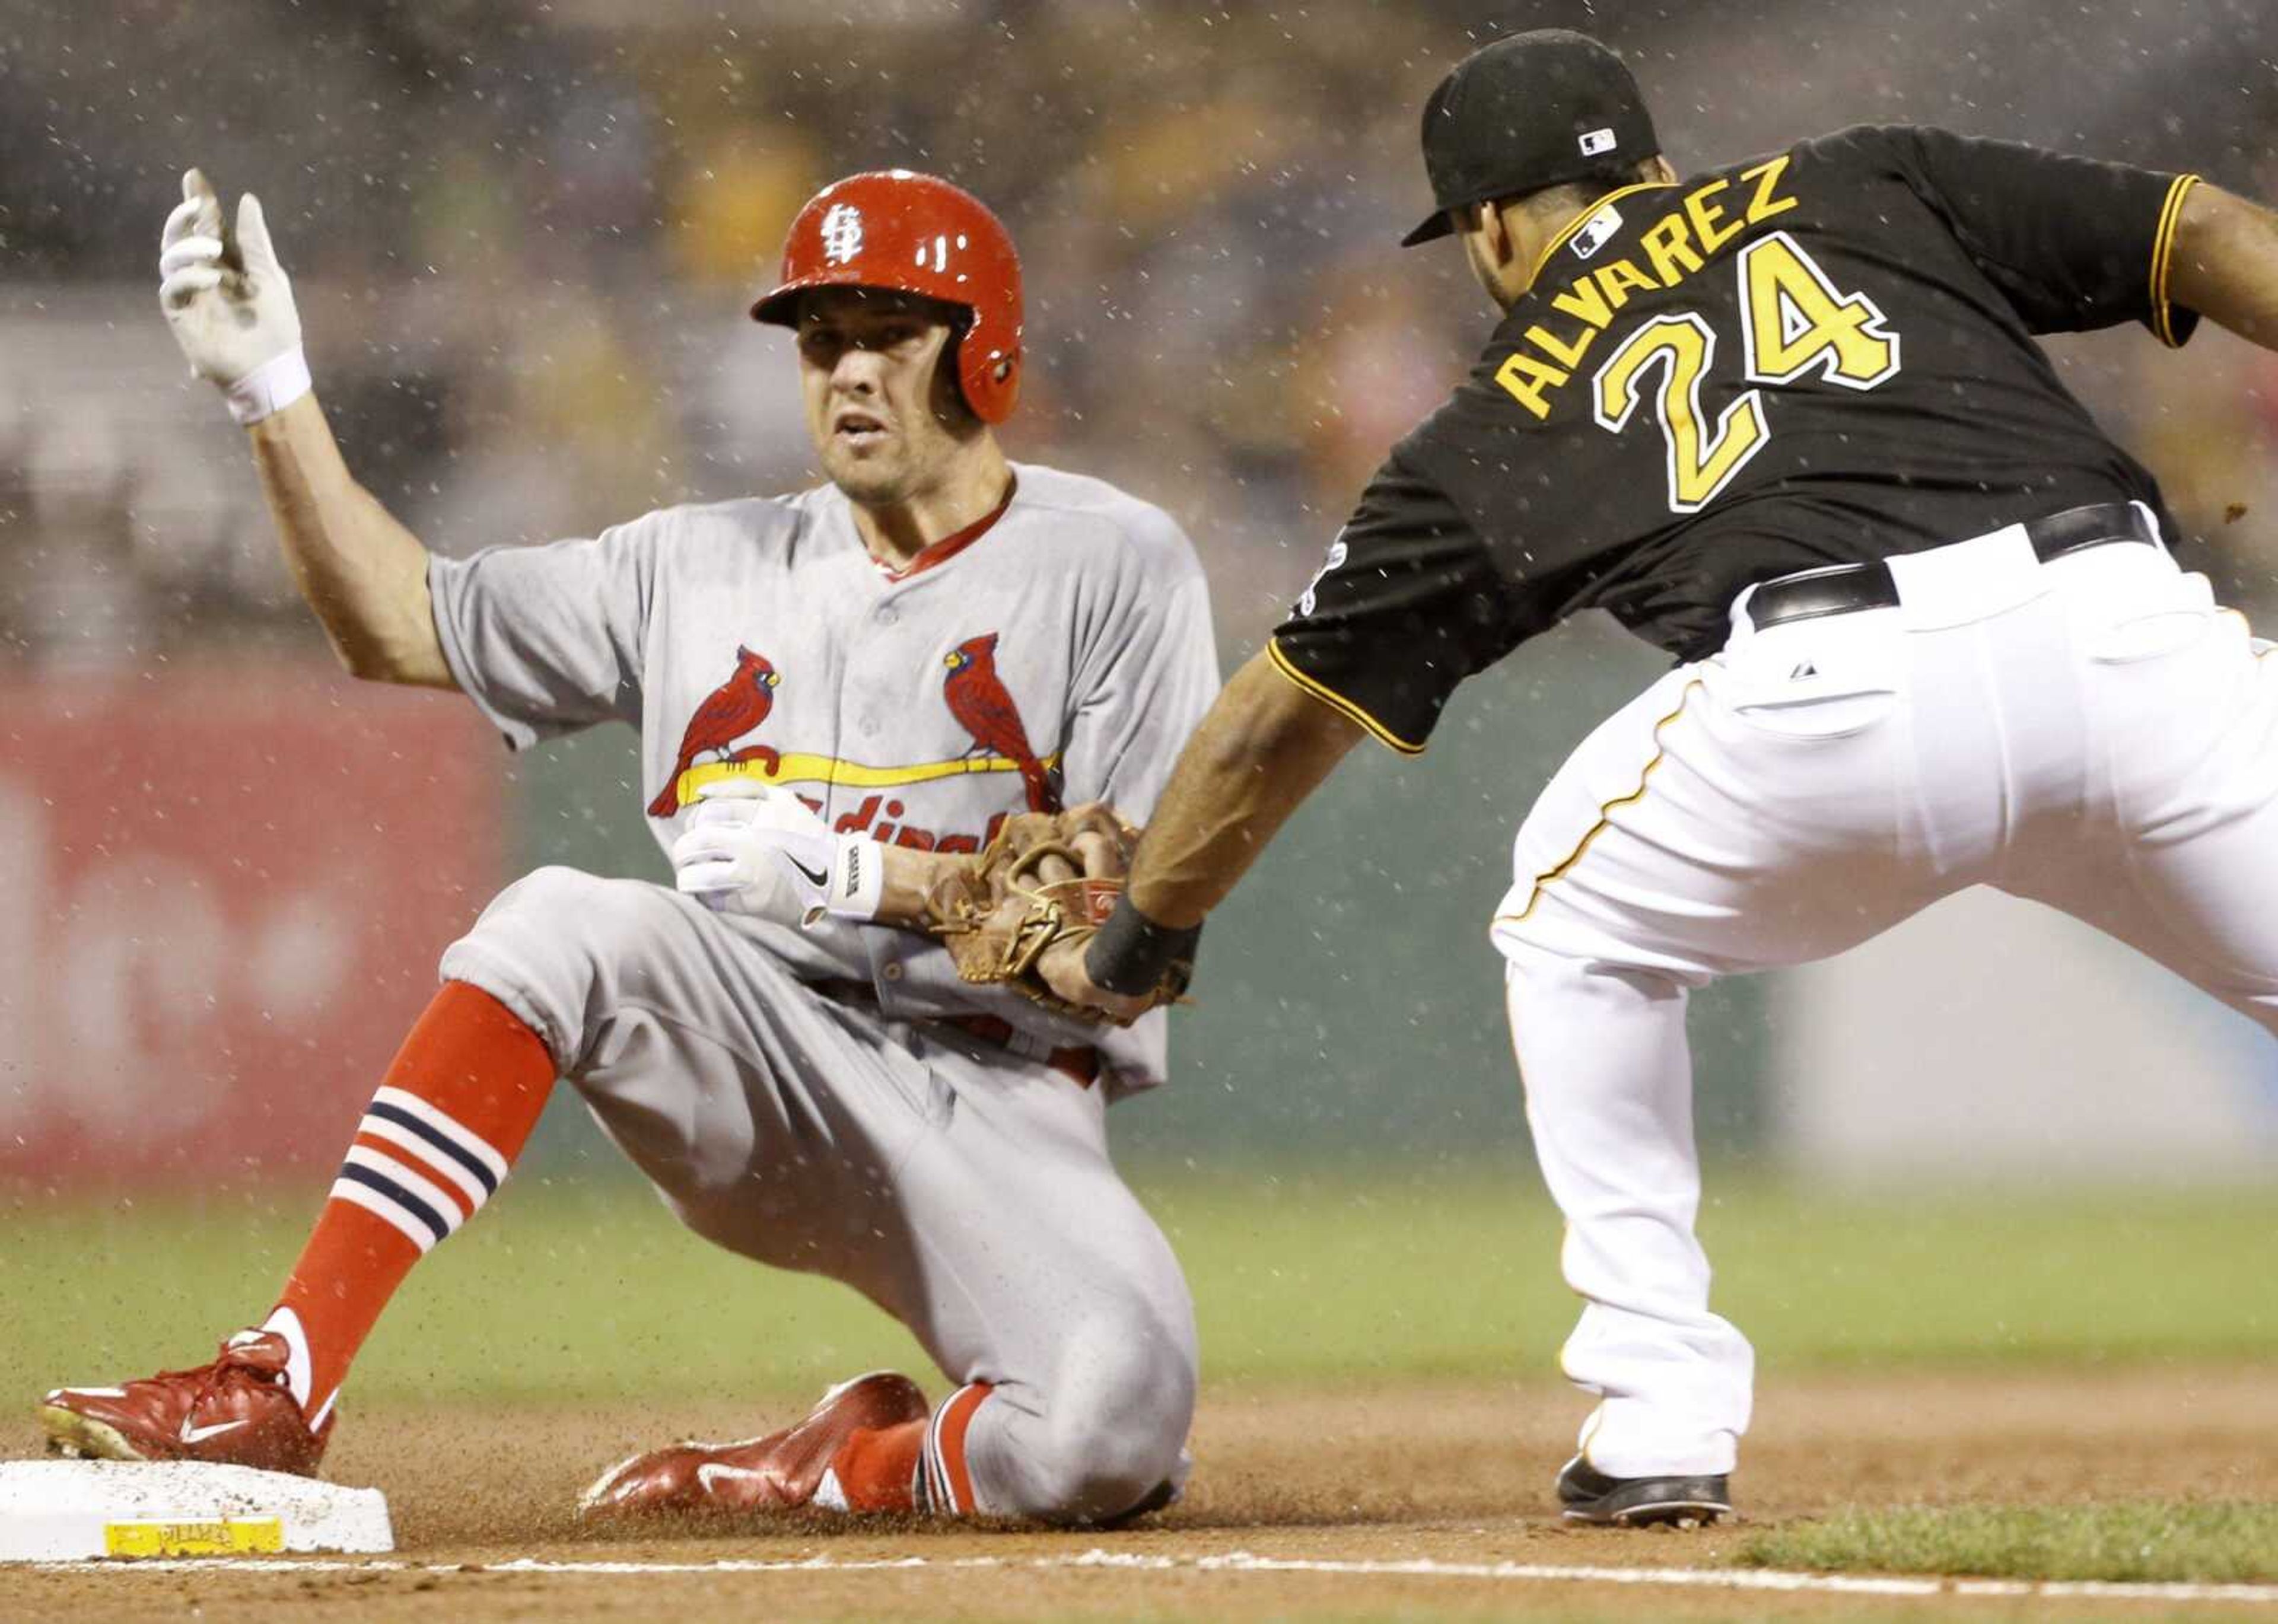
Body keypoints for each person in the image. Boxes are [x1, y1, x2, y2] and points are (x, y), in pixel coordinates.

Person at [1047, 28, 2278, 1526]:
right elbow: (2201, 233)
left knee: (1575, 934)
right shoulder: (1865, 176)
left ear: (1490, 227)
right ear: (1655, 166)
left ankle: (1660, 1411)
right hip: (2130, 649)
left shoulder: (1498, 418)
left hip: (1835, 708)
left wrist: (1146, 932)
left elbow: (1274, 720)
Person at [37, 166, 1218, 1527]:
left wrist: (860, 874)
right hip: (752, 1053)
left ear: (986, 346)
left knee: (1112, 1429)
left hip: (998, 1094)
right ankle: (280, 1379)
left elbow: (1121, 937)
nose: (848, 371)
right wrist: (273, 395)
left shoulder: (1116, 566)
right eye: (822, 339)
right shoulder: (695, 565)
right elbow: (399, 621)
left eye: (892, 330)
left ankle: (835, 1464)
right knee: (559, 919)